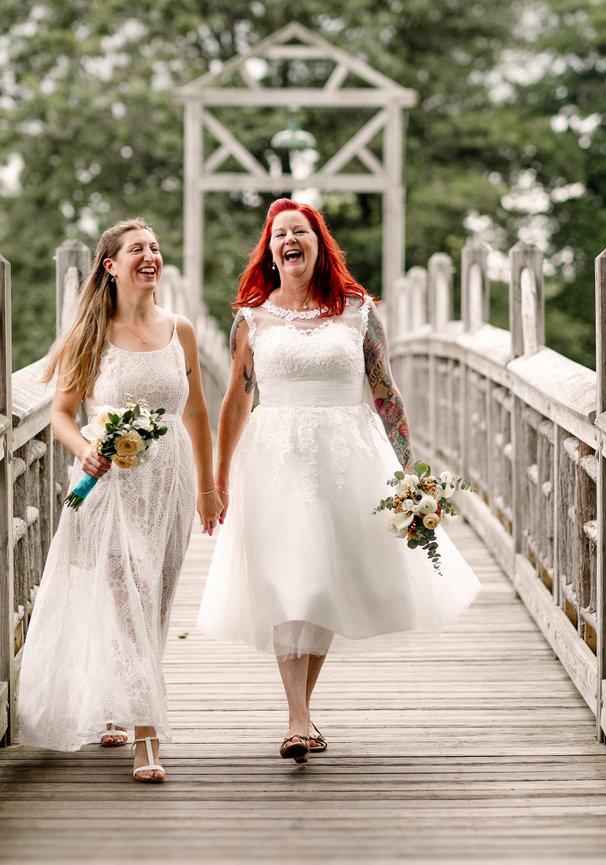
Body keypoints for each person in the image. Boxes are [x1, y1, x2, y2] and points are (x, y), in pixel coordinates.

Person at [197, 198, 479, 763]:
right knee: (287, 580)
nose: (289, 241)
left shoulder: (357, 310)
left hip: (347, 458)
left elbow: (387, 393)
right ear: (270, 251)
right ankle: (298, 718)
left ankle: (303, 711)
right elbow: (234, 403)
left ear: (318, 244)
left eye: (300, 232)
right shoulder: (251, 318)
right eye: (279, 236)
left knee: (321, 583)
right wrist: (217, 481)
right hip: (274, 460)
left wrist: (410, 478)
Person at [17, 219, 223, 783]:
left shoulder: (180, 329)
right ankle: (146, 738)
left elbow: (198, 412)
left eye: (155, 248)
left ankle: (120, 703)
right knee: (128, 586)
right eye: (138, 249)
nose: (150, 256)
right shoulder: (91, 332)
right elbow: (61, 412)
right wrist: (85, 447)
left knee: (151, 600)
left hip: (172, 480)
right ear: (110, 266)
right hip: (113, 483)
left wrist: (208, 487)